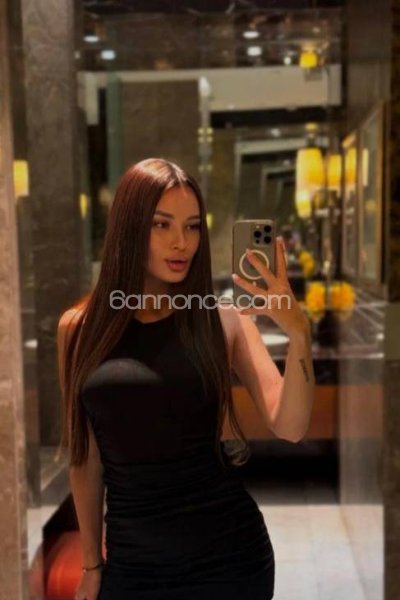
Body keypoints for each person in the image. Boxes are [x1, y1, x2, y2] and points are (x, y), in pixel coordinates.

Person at [57, 158, 315, 600]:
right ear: (129, 227)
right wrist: (91, 564)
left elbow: (289, 425)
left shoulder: (223, 320)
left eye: (193, 227)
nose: (181, 242)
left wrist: (299, 333)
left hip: (228, 561)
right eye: (162, 225)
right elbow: (85, 458)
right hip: (132, 566)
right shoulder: (79, 330)